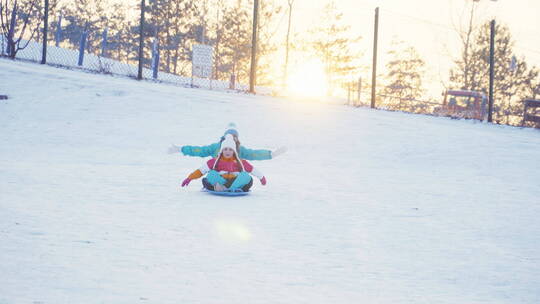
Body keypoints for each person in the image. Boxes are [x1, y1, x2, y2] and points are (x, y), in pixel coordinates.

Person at [181, 134, 266, 192]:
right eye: (225, 149)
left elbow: (252, 169)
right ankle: (221, 187)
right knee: (210, 175)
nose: (227, 152)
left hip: (235, 182)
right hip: (221, 182)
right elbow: (201, 170)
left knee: (247, 177)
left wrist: (261, 178)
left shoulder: (240, 162)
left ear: (234, 151)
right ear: (221, 151)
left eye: (230, 149)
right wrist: (190, 178)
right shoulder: (215, 161)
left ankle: (231, 188)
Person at [168, 123, 286, 161]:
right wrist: (180, 149)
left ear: (237, 138)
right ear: (224, 137)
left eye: (234, 136)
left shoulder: (240, 150)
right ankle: (215, 184)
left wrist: (271, 154)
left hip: (233, 173)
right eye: (229, 135)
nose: (231, 138)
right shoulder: (216, 147)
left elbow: (254, 154)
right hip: (218, 171)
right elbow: (199, 150)